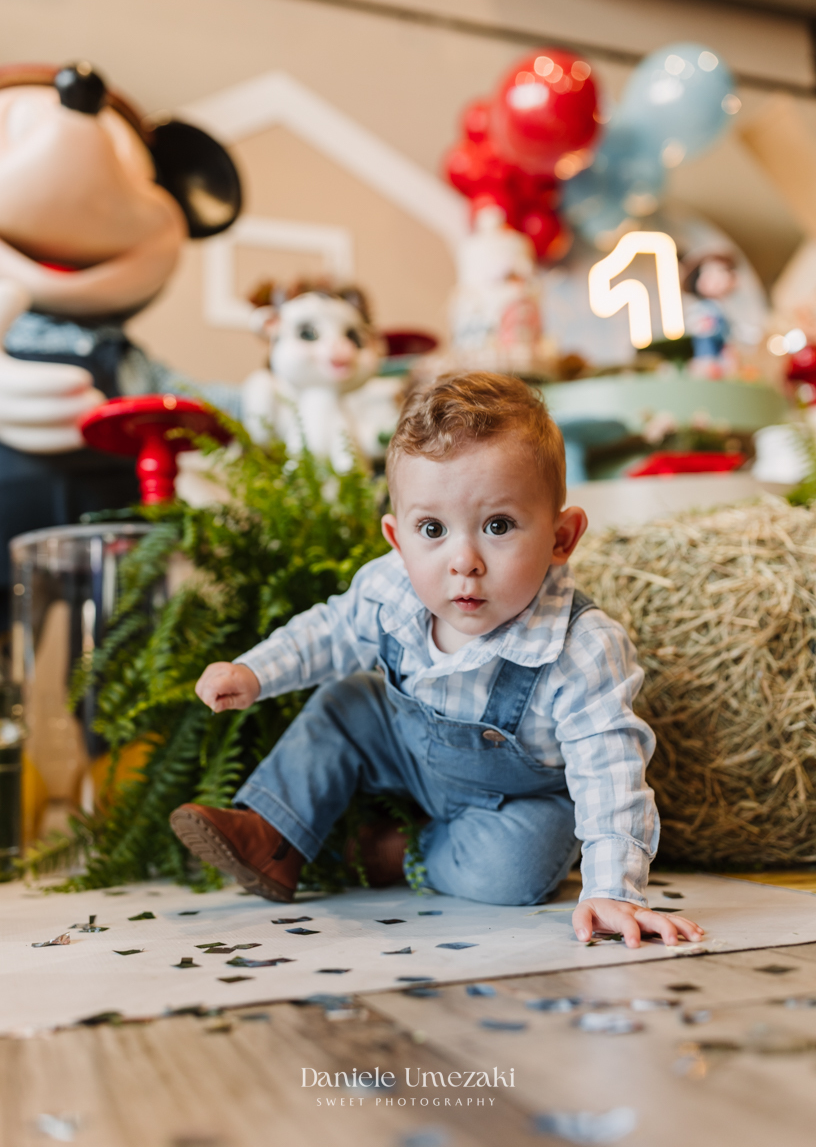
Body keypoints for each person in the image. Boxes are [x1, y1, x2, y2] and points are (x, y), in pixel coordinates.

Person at [171, 372, 703, 949]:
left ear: (561, 537)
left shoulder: (581, 647)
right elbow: (325, 633)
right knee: (346, 703)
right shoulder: (390, 590)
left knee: (522, 862)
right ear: (397, 541)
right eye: (433, 529)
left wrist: (615, 889)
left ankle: (394, 853)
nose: (464, 561)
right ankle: (272, 835)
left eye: (497, 526)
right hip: (406, 754)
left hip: (514, 802)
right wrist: (253, 671)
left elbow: (610, 771)